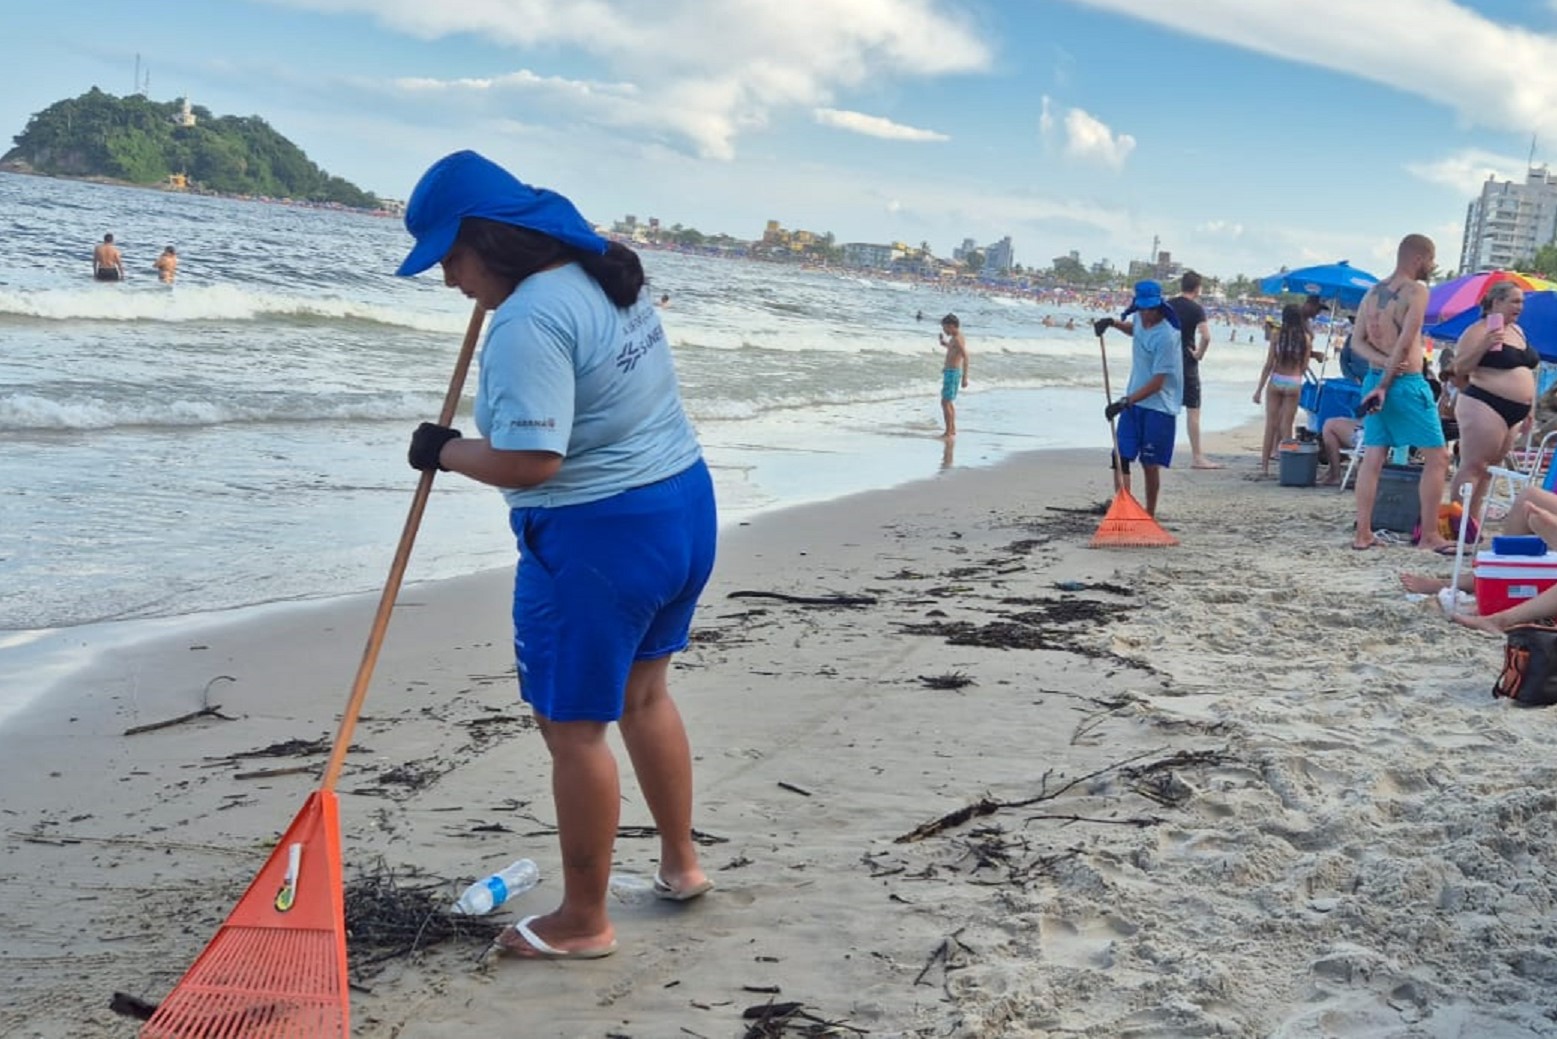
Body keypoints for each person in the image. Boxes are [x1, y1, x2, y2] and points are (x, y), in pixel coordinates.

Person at [395, 150, 716, 960]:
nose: (449, 282)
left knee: (572, 730)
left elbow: (536, 461)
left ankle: (582, 920)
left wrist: (445, 451)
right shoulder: (599, 269)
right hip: (682, 505)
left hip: (601, 538)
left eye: (452, 259)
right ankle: (680, 864)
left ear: (490, 242)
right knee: (644, 694)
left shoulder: (529, 321)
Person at [1348, 234, 1452, 553]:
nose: (1433, 267)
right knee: (1438, 457)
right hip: (1404, 385)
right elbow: (1406, 342)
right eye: (1432, 260)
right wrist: (1386, 381)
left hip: (1375, 378)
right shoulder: (1417, 291)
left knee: (1374, 456)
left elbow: (1357, 343)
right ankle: (1430, 534)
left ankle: (1363, 532)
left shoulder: (1372, 292)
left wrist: (1379, 372)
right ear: (1419, 258)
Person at [1447, 281, 1537, 524]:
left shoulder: (1517, 331)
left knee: (1488, 471)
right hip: (1485, 403)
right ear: (1496, 302)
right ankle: (1455, 525)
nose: (1520, 306)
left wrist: (1530, 408)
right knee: (1473, 466)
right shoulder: (1477, 331)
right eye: (1515, 301)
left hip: (1515, 411)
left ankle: (1471, 523)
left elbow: (1527, 370)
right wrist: (1485, 344)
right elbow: (1460, 369)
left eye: (1522, 302)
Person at [1093, 280, 1183, 517]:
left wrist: (1124, 402)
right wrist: (1112, 324)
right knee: (1120, 456)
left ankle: (1149, 514)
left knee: (1149, 464)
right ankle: (1123, 511)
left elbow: (1158, 382)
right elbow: (1136, 331)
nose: (1146, 314)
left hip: (1159, 406)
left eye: (1150, 309)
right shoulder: (1140, 320)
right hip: (1134, 402)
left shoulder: (1167, 336)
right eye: (1142, 309)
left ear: (1159, 306)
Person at [1254, 303, 1313, 478]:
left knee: (1270, 425)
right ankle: (1286, 468)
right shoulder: (1306, 338)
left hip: (1277, 379)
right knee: (1287, 426)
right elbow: (1304, 366)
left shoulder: (1276, 335)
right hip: (1294, 381)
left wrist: (1258, 389)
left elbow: (1269, 363)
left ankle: (1264, 468)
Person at [1167, 271, 1219, 469]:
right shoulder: (1196, 309)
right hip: (1187, 363)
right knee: (1193, 410)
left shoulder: (1169, 305)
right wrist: (1199, 354)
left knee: (1167, 407)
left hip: (1167, 360)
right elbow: (1206, 336)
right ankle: (1197, 457)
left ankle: (1162, 451)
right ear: (1197, 288)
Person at [938, 313, 968, 439]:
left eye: (945, 328)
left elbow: (966, 356)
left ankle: (948, 431)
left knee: (945, 402)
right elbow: (952, 349)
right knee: (948, 402)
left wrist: (965, 378)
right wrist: (943, 343)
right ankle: (952, 429)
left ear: (951, 326)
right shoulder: (955, 338)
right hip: (950, 372)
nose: (944, 330)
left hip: (953, 372)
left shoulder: (957, 338)